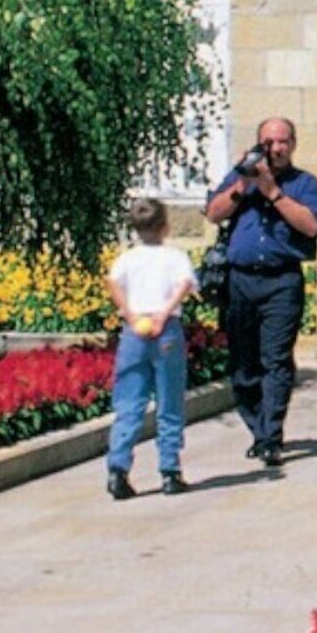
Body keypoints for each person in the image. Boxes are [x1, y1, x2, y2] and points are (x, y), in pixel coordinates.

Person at [204, 117, 317, 472]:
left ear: (293, 144)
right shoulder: (239, 177)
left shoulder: (304, 183)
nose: (276, 148)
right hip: (240, 280)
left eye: (282, 141)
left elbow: (312, 225)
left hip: (281, 281)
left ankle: (271, 437)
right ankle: (258, 430)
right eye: (269, 142)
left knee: (276, 360)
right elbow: (213, 213)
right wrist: (244, 182)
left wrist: (273, 192)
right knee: (243, 364)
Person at [104, 195, 195, 501]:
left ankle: (118, 468)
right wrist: (164, 313)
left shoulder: (128, 258)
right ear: (165, 226)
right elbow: (184, 284)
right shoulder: (175, 257)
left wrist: (130, 314)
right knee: (169, 400)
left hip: (135, 330)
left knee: (129, 401)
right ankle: (170, 471)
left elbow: (113, 282)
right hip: (165, 328)